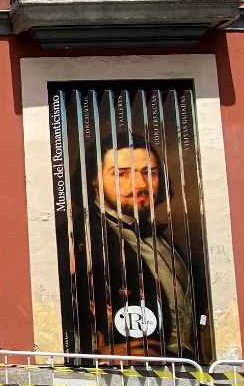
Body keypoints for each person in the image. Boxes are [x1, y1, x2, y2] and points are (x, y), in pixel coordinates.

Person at [77, 132, 198, 359]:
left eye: (149, 172)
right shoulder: (77, 239)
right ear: (93, 181)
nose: (141, 184)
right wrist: (95, 354)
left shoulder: (168, 245)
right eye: (121, 174)